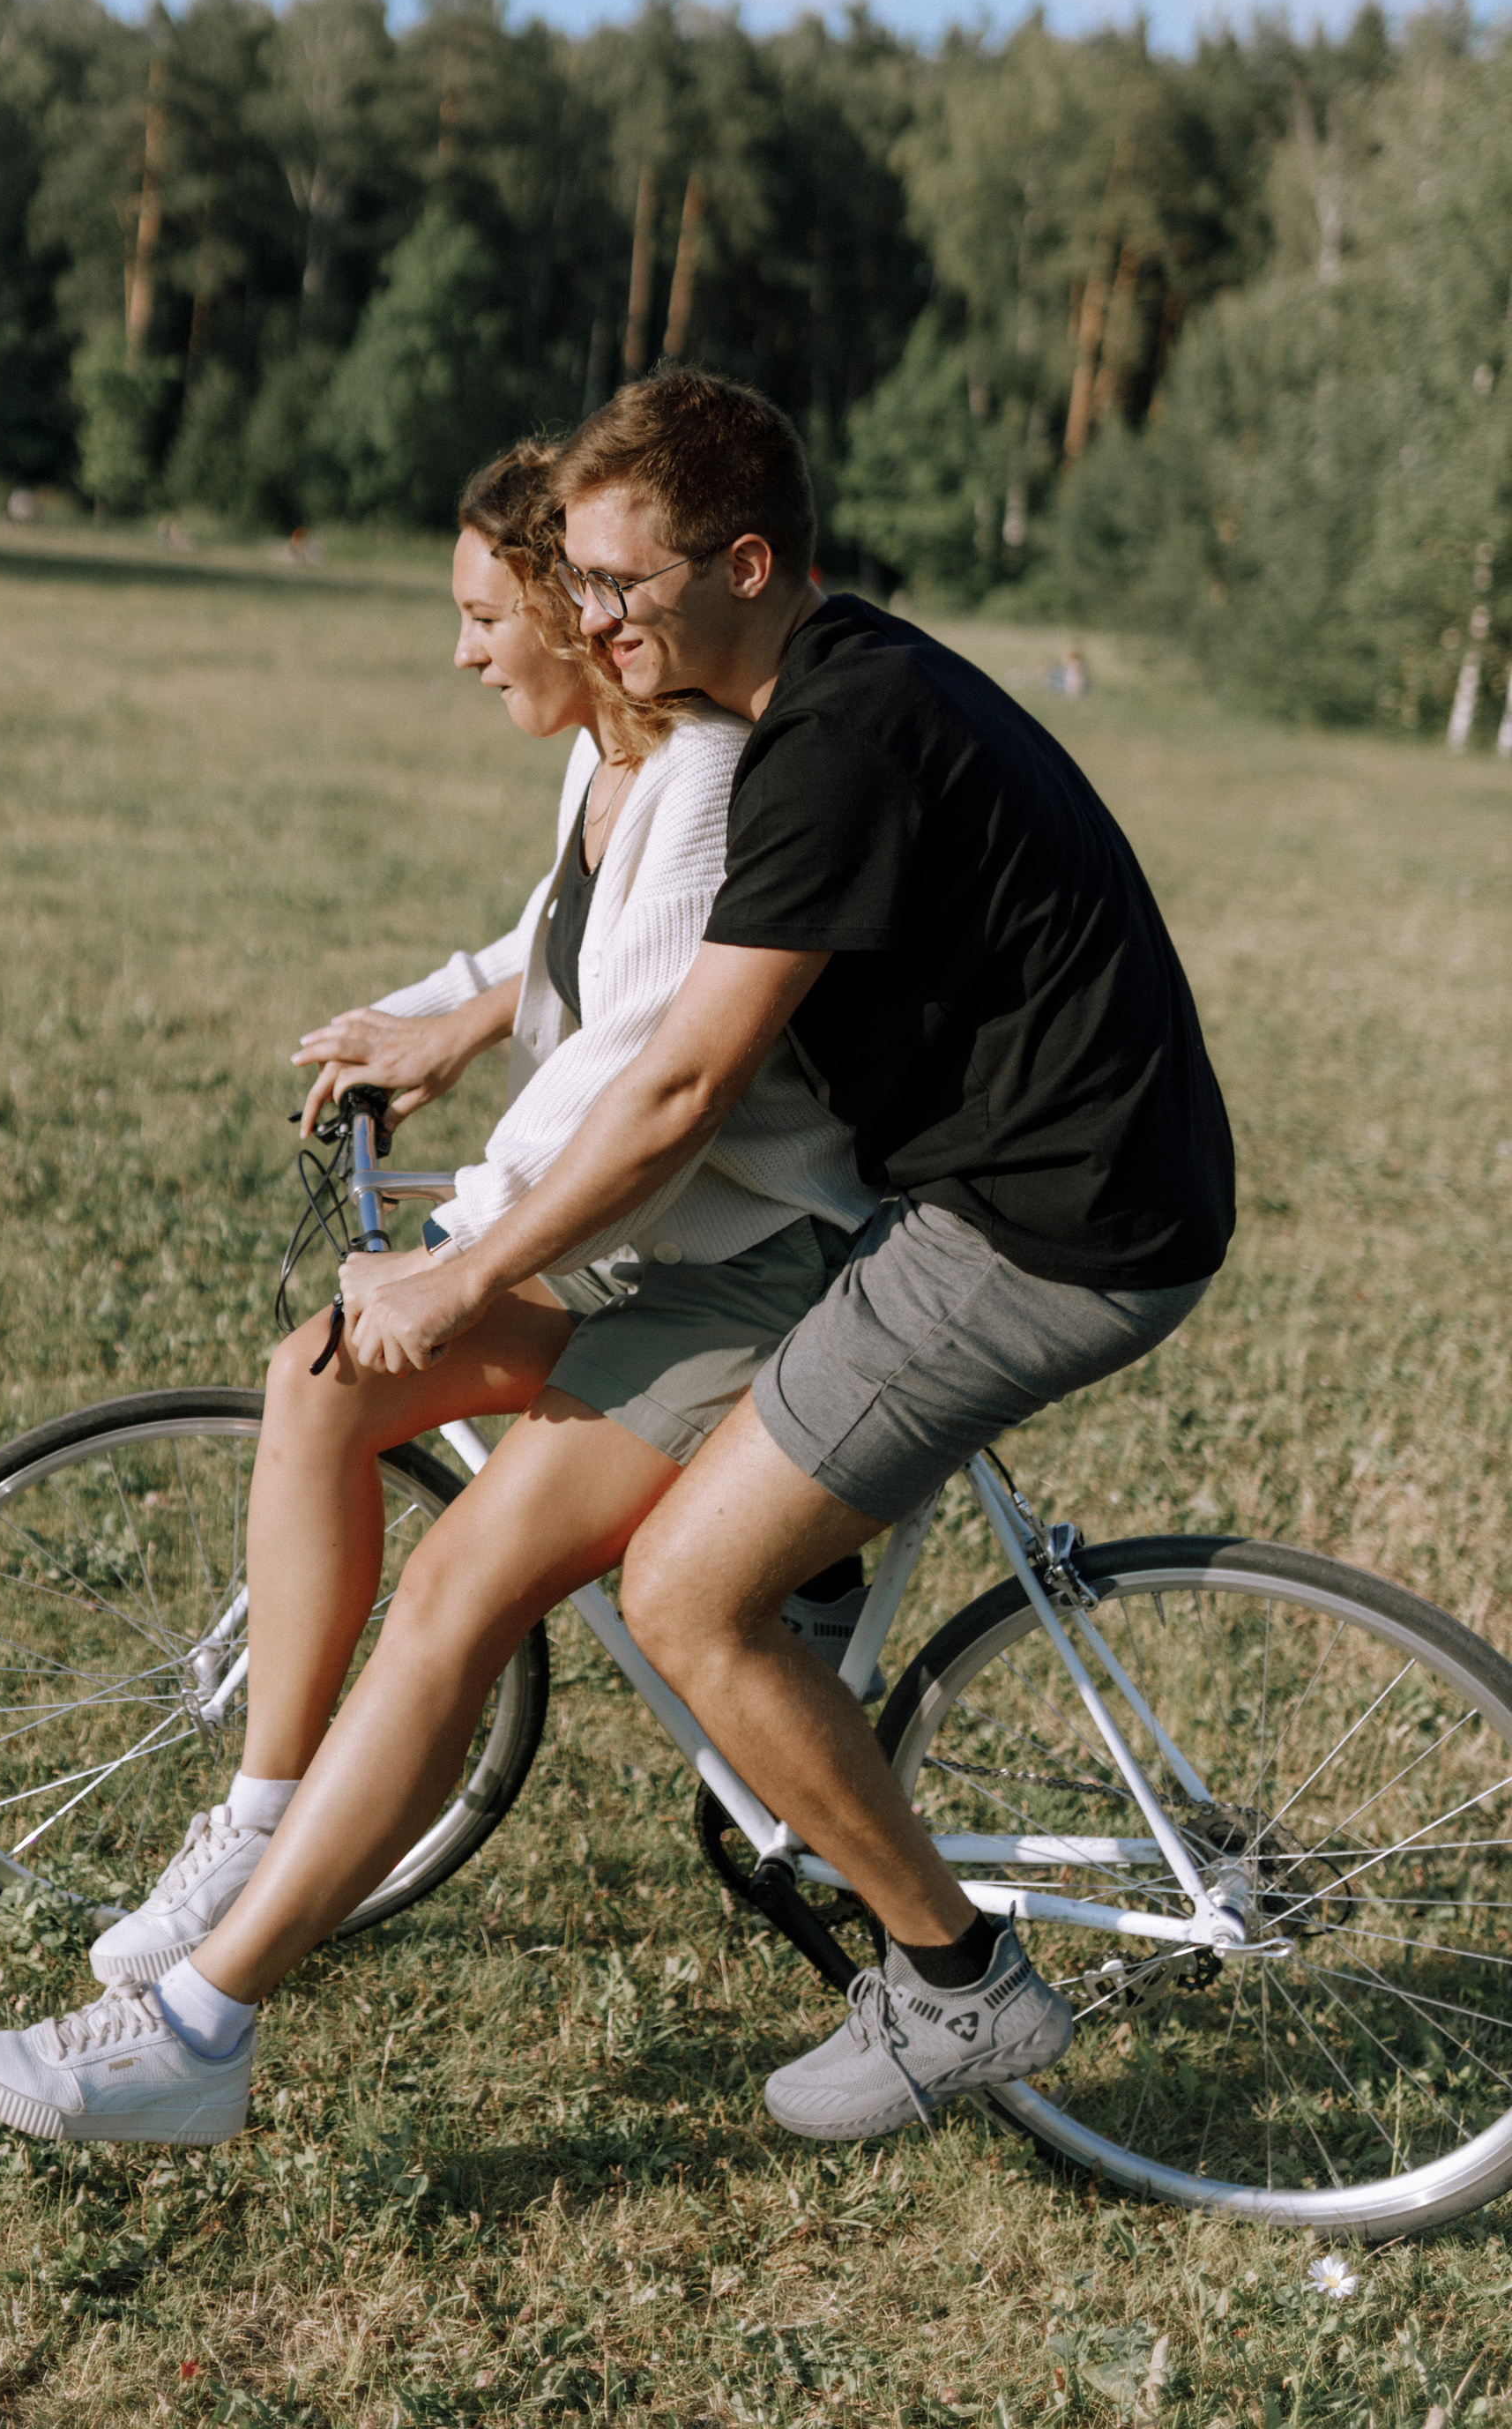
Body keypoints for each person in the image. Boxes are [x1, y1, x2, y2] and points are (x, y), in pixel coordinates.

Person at [325, 369, 1235, 2142]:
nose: (583, 621)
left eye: (615, 586)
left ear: (743, 564)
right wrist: (473, 1014)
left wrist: (457, 1270)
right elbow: (663, 976)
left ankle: (953, 1986)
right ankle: (810, 1627)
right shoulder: (840, 685)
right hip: (1050, 1189)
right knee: (747, 1526)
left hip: (1038, 1233)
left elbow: (675, 1090)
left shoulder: (819, 750)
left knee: (681, 1592)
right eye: (569, 585)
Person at [0, 438, 879, 2144]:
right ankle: (263, 1809)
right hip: (659, 1260)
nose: (464, 651)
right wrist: (435, 1019)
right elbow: (553, 943)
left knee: (463, 1577)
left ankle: (203, 2034)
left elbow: (640, 1075)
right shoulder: (612, 769)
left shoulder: (703, 782)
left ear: (562, 608)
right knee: (320, 1381)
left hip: (757, 1285)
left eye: (482, 613)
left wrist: (461, 1251)